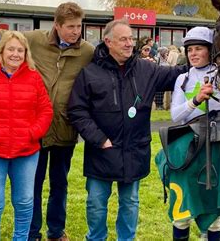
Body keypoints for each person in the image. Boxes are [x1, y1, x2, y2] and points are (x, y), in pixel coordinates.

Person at [67, 19, 186, 241]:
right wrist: (99, 139)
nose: (129, 43)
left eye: (131, 39)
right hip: (101, 151)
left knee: (130, 202)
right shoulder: (90, 73)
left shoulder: (147, 69)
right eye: (123, 39)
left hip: (134, 151)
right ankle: (95, 238)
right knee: (96, 203)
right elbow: (77, 110)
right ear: (108, 41)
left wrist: (203, 57)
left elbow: (177, 75)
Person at [159, 26, 220, 241]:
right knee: (182, 211)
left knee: (216, 214)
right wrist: (196, 100)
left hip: (219, 151)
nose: (193, 54)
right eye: (190, 50)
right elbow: (176, 116)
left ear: (210, 51)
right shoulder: (183, 79)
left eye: (198, 49)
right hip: (189, 149)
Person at [0, 31, 53, 240]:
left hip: (25, 152)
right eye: (11, 49)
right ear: (1, 51)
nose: (15, 54)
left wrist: (32, 133)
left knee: (24, 203)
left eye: (20, 50)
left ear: (26, 54)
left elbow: (46, 111)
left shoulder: (34, 78)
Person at [26, 2, 95, 241]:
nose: (76, 31)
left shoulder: (87, 51)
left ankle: (56, 232)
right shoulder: (35, 40)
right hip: (36, 128)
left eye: (79, 26)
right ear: (57, 25)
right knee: (32, 184)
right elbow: (5, 39)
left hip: (65, 129)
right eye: (71, 27)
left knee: (59, 183)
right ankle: (31, 232)